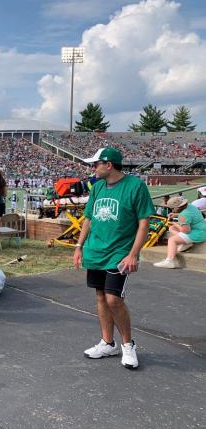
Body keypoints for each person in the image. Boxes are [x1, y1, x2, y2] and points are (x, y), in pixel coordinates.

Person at [73, 147, 155, 370]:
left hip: (119, 253)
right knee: (100, 296)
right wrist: (79, 246)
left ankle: (128, 344)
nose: (93, 169)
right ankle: (108, 343)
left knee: (113, 299)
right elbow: (88, 219)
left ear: (108, 165)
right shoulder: (98, 187)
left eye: (95, 164)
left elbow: (143, 223)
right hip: (96, 250)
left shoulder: (135, 186)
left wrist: (133, 254)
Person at [153, 196, 206, 268]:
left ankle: (169, 261)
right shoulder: (191, 206)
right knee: (172, 228)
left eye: (172, 208)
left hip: (198, 233)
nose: (172, 210)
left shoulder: (183, 215)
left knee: (172, 240)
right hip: (202, 229)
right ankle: (186, 242)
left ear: (177, 207)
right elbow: (189, 215)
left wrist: (174, 223)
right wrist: (176, 215)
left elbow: (186, 231)